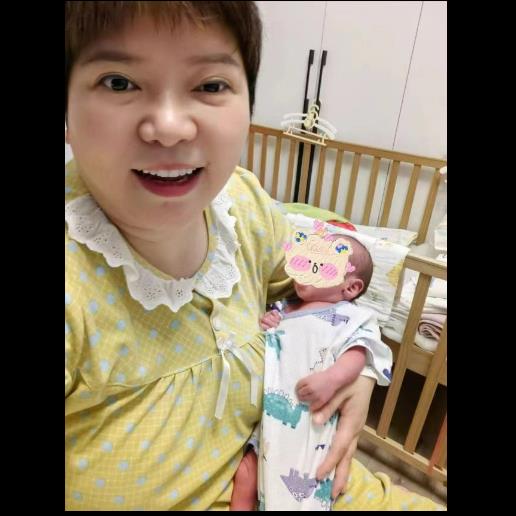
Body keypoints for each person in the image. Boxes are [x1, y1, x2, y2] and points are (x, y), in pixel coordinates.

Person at [65, 1, 445, 510]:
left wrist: (357, 367)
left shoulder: (244, 205)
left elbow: (323, 297)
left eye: (210, 85)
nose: (170, 127)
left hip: (300, 475)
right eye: (118, 82)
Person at [232, 234, 391, 510]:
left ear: (351, 287)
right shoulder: (285, 307)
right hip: (272, 420)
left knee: (310, 486)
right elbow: (272, 338)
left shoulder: (349, 316)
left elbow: (359, 353)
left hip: (312, 424)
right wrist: (270, 321)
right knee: (246, 473)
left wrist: (333, 378)